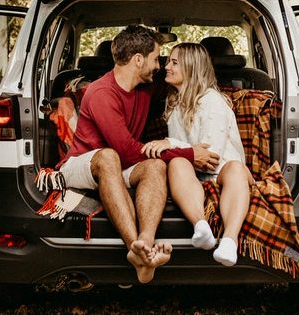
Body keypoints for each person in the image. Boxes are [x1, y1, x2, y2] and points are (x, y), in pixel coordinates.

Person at [56, 26, 220, 283]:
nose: (160, 66)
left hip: (119, 164)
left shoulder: (148, 87)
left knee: (155, 166)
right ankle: (136, 250)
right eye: (156, 59)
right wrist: (188, 153)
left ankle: (145, 242)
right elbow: (127, 152)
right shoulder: (101, 93)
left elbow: (188, 83)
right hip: (82, 163)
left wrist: (218, 98)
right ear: (138, 60)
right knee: (109, 155)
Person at [141, 43, 253, 266]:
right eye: (167, 61)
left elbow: (210, 157)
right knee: (177, 163)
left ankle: (230, 241)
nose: (166, 67)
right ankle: (201, 226)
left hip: (222, 169)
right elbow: (191, 155)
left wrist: (169, 143)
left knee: (236, 169)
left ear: (191, 67)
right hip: (193, 172)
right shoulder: (174, 102)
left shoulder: (213, 101)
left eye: (174, 62)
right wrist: (177, 151)